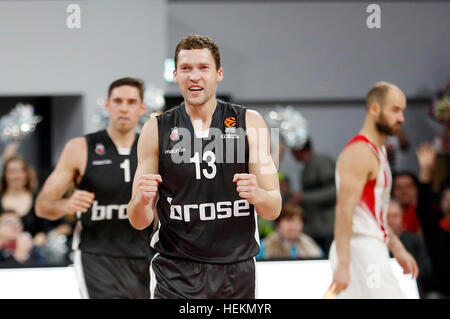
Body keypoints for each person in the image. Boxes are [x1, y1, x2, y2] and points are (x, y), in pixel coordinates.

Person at [127, 34, 281, 299]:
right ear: (175, 74)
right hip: (176, 272)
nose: (194, 76)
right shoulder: (156, 129)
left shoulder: (249, 122)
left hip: (236, 272)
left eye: (203, 68)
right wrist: (141, 201)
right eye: (186, 68)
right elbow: (138, 220)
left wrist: (258, 195)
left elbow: (274, 208)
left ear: (219, 74)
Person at [35, 77, 153, 299]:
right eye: (117, 101)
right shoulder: (80, 148)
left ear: (141, 108)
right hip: (96, 255)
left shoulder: (153, 148)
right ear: (107, 105)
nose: (124, 108)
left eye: (131, 102)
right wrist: (66, 204)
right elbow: (42, 206)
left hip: (144, 254)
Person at [329, 81, 418, 298]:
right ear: (375, 109)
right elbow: (344, 211)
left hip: (371, 247)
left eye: (402, 111)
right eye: (395, 110)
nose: (401, 118)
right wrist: (343, 264)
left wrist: (397, 248)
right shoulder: (359, 152)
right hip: (359, 249)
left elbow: (375, 213)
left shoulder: (378, 152)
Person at [289, 138, 336, 255]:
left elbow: (334, 191)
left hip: (327, 228)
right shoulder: (307, 166)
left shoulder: (321, 162)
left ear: (298, 149)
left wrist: (303, 197)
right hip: (313, 229)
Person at [415, 143, 450, 298]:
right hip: (438, 292)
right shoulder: (435, 229)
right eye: (448, 197)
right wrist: (426, 170)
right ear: (442, 204)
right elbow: (423, 204)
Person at [387, 199, 432, 297]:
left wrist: (411, 270)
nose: (391, 221)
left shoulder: (415, 240)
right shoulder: (376, 245)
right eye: (387, 217)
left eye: (395, 216)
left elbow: (426, 269)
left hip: (412, 289)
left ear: (402, 218)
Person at [257, 203, 323, 260]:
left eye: (298, 222)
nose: (293, 227)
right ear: (278, 223)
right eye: (289, 221)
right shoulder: (264, 246)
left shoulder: (310, 245)